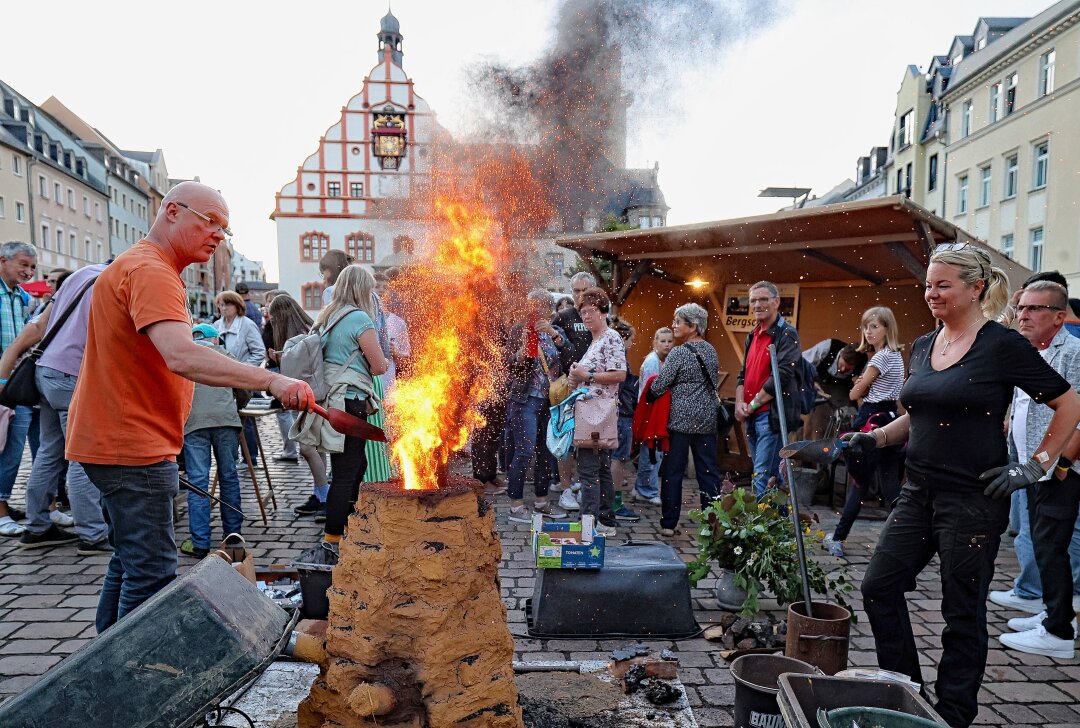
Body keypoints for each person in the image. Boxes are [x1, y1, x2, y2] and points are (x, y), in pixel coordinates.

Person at [65, 181, 314, 633]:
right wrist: (273, 380)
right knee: (152, 574)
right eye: (211, 221)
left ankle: (101, 666)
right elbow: (180, 355)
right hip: (131, 446)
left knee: (128, 562)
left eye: (225, 227)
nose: (219, 234)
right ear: (172, 211)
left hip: (120, 440)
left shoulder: (144, 265)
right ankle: (134, 683)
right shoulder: (151, 270)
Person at [850, 244, 1080, 728]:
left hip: (973, 501)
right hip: (918, 492)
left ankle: (952, 715)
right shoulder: (922, 345)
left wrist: (1035, 466)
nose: (931, 293)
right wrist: (874, 439)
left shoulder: (1001, 345)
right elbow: (919, 413)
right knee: (878, 587)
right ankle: (904, 689)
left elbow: (1070, 404)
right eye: (928, 284)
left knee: (961, 609)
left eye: (942, 284)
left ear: (976, 288)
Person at [989, 281, 1080, 658]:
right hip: (1036, 466)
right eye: (1021, 308)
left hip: (1060, 468)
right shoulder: (1030, 351)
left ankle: (1058, 634)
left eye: (1034, 309)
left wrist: (1060, 467)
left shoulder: (1073, 353)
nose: (1023, 315)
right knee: (1043, 545)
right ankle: (1050, 613)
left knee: (1050, 545)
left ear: (1059, 317)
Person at [0, 263, 110, 552]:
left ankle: (37, 527)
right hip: (72, 375)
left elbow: (38, 325)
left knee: (50, 451)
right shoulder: (114, 281)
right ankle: (92, 533)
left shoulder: (78, 277)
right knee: (82, 454)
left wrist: (5, 368)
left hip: (46, 372)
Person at [291, 264, 387, 555]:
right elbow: (380, 365)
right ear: (362, 289)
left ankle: (349, 525)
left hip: (331, 400)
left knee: (355, 465)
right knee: (347, 471)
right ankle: (333, 538)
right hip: (350, 400)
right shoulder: (359, 318)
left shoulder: (327, 315)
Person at [823, 307, 905, 557]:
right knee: (891, 484)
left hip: (870, 421)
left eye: (874, 327)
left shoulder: (879, 359)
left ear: (887, 328)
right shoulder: (897, 356)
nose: (868, 332)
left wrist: (859, 385)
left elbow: (854, 394)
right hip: (891, 419)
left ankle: (838, 538)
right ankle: (903, 540)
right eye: (866, 327)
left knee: (859, 485)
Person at [648, 303, 723, 537]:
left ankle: (669, 524)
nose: (674, 326)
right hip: (707, 419)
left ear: (693, 326)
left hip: (680, 420)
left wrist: (649, 390)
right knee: (708, 472)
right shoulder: (711, 350)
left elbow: (660, 385)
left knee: (673, 472)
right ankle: (713, 522)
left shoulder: (679, 353)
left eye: (678, 322)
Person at [179, 324, 244, 560]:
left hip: (194, 422)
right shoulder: (224, 354)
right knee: (229, 476)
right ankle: (233, 537)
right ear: (215, 340)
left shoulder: (184, 354)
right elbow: (243, 385)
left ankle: (199, 543)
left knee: (197, 482)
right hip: (225, 420)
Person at [504, 289, 568, 523]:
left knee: (546, 451)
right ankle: (516, 505)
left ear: (549, 309)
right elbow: (507, 363)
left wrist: (554, 336)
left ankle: (541, 501)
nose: (537, 310)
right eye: (533, 305)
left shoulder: (555, 332)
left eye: (542, 306)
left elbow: (569, 356)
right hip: (524, 400)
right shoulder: (519, 331)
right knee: (524, 451)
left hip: (550, 401)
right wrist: (519, 355)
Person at [566, 287, 626, 538]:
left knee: (589, 469)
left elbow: (619, 375)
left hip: (596, 414)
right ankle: (605, 520)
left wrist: (585, 375)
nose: (586, 317)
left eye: (591, 311)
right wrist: (576, 376)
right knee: (600, 468)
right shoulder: (597, 339)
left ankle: (587, 525)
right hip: (594, 412)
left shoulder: (610, 337)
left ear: (603, 311)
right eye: (582, 313)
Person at [734, 281, 802, 498]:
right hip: (752, 416)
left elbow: (781, 376)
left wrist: (752, 405)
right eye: (753, 300)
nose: (757, 304)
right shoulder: (752, 335)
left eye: (763, 299)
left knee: (761, 476)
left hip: (769, 417)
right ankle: (777, 527)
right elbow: (742, 374)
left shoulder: (786, 334)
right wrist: (738, 404)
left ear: (776, 302)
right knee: (773, 476)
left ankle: (757, 529)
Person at [268, 293, 332, 521]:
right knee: (317, 447)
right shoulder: (309, 328)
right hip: (312, 395)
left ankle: (325, 496)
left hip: (309, 396)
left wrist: (280, 359)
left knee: (307, 448)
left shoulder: (300, 334)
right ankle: (319, 492)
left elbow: (298, 371)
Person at [0, 241, 38, 537]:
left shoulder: (22, 297)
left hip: (17, 385)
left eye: (32, 267)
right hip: (1, 384)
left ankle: (3, 505)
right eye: (23, 265)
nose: (28, 271)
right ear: (4, 260)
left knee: (13, 448)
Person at [214, 290, 266, 466]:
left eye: (227, 304)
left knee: (245, 419)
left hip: (242, 380)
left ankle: (250, 457)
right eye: (220, 305)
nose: (223, 308)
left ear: (237, 306)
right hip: (222, 381)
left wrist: (243, 369)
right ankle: (231, 458)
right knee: (227, 421)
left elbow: (259, 352)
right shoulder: (216, 326)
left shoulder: (246, 325)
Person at [633, 327, 673, 505]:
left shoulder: (664, 360)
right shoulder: (652, 362)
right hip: (651, 412)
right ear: (655, 342)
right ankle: (646, 490)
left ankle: (643, 487)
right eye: (662, 341)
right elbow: (651, 391)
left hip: (655, 412)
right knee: (650, 453)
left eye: (670, 341)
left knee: (652, 453)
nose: (667, 344)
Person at [261, 289, 300, 463]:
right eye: (267, 301)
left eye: (271, 301)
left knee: (289, 413)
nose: (267, 305)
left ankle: (294, 449)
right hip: (277, 368)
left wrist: (276, 357)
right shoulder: (272, 323)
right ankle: (295, 449)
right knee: (289, 413)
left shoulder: (283, 325)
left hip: (283, 370)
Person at [800, 340, 867, 440]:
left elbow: (865, 389)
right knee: (817, 414)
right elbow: (800, 364)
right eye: (841, 365)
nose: (843, 369)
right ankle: (813, 445)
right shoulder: (828, 347)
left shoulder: (864, 363)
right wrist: (809, 381)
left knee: (847, 416)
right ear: (840, 354)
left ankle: (841, 446)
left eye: (848, 369)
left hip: (843, 390)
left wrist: (859, 385)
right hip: (817, 382)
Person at [610, 317, 641, 522]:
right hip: (621, 415)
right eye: (630, 339)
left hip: (618, 413)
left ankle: (609, 500)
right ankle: (614, 503)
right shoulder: (619, 358)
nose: (631, 344)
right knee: (618, 460)